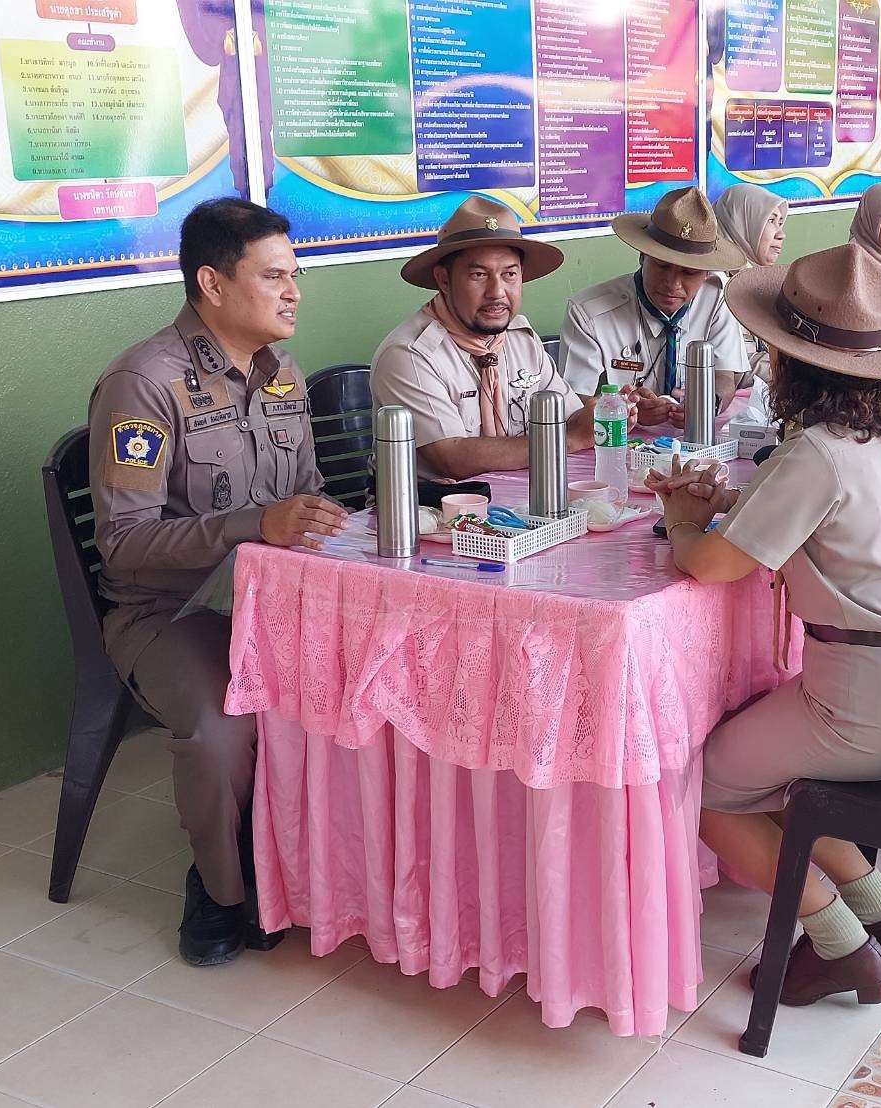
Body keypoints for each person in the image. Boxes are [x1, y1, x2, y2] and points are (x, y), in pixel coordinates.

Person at [647, 244, 881, 1006]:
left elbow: (711, 565)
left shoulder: (816, 452)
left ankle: (838, 940)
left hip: (867, 704)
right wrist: (730, 506)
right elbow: (826, 514)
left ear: (794, 363)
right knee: (772, 767)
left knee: (704, 784)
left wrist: (683, 520)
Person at [88, 198, 348, 966]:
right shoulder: (144, 383)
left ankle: (326, 866)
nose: (293, 292)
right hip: (169, 612)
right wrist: (254, 524)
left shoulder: (281, 375)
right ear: (212, 282)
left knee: (375, 681)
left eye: (294, 275)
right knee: (220, 728)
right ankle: (221, 888)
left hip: (274, 600)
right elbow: (124, 544)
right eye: (273, 276)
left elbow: (307, 495)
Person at [371, 197, 631, 480]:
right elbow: (452, 457)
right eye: (479, 275)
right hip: (432, 504)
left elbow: (571, 417)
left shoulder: (521, 339)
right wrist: (567, 439)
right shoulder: (409, 354)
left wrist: (606, 412)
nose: (496, 292)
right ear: (444, 280)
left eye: (509, 274)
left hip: (522, 495)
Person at [559, 186, 747, 428]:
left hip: (693, 435)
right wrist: (625, 409)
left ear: (707, 273)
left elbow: (725, 377)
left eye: (689, 272)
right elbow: (575, 403)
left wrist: (708, 404)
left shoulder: (718, 299)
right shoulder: (589, 313)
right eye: (662, 266)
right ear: (642, 256)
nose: (673, 284)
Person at [715, 183, 788, 392]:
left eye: (780, 222)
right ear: (740, 223)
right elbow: (736, 367)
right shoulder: (716, 283)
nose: (781, 234)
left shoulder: (757, 279)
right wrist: (797, 373)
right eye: (771, 221)